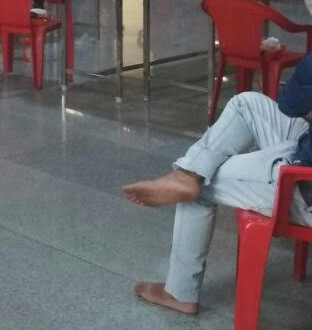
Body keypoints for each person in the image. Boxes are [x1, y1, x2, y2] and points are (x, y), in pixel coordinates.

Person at [122, 58, 312, 316]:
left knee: (203, 180)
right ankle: (188, 173)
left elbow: (293, 104)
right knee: (246, 104)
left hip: (304, 186)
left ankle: (179, 293)